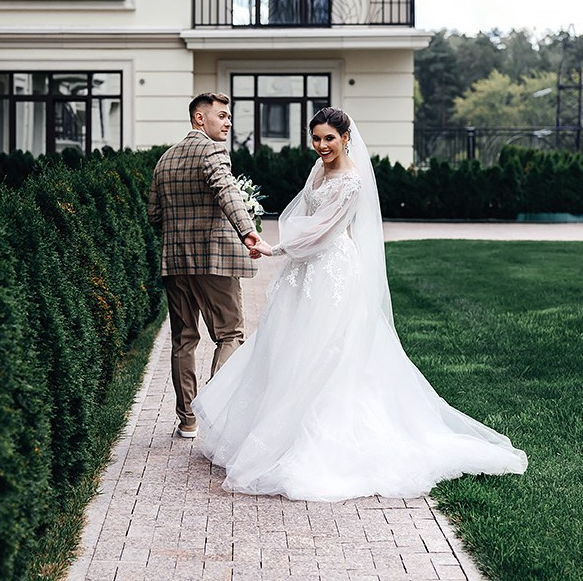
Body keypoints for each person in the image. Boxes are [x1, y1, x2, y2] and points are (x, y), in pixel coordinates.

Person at [192, 107, 527, 500]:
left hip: (333, 269)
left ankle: (321, 440)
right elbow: (304, 210)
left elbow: (322, 230)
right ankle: (270, 431)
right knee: (287, 345)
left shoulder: (351, 183)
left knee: (331, 351)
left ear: (345, 137)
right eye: (315, 138)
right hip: (307, 271)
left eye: (328, 139)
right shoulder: (319, 170)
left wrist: (275, 248)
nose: (321, 146)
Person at [148, 92, 262, 439]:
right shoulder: (212, 151)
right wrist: (248, 232)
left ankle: (187, 420)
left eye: (229, 118)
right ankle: (214, 407)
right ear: (200, 119)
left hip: (175, 261)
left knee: (183, 339)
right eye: (222, 116)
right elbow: (226, 191)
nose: (228, 123)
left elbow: (153, 214)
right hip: (213, 260)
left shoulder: (164, 160)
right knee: (230, 334)